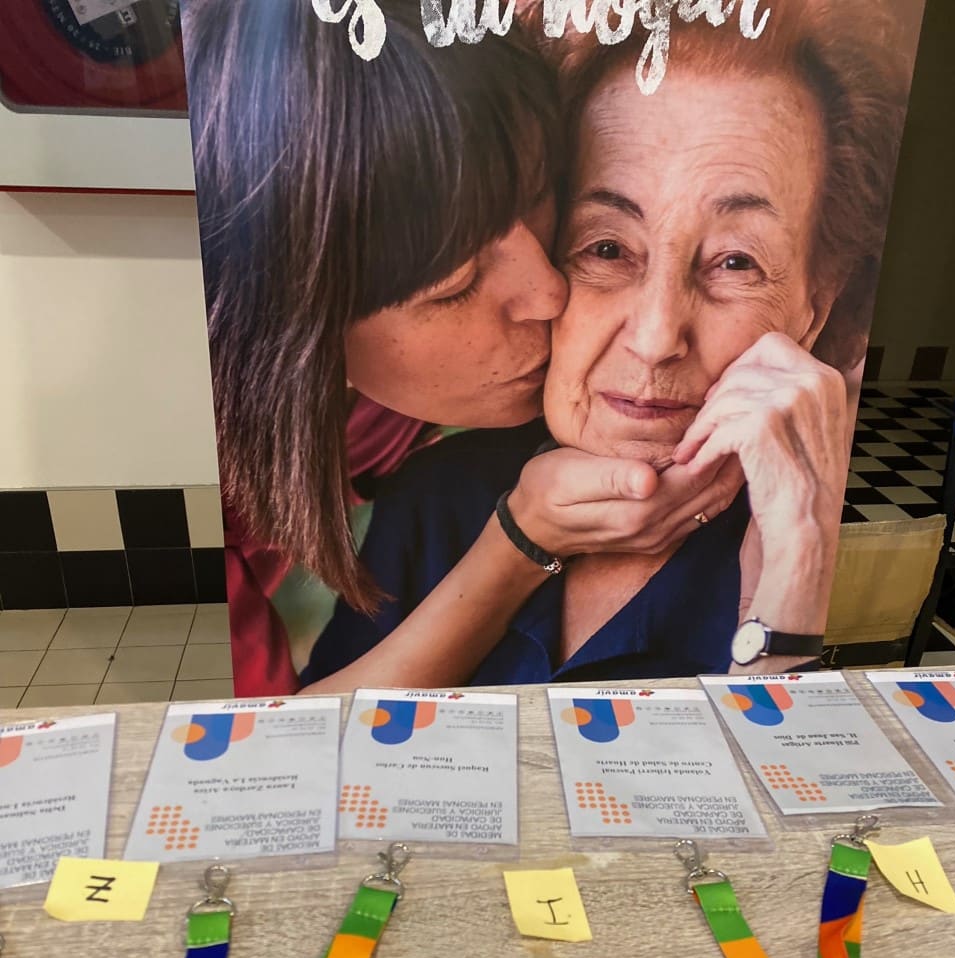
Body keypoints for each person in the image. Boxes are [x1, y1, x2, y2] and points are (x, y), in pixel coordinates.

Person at [302, 0, 911, 687]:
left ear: (816, 304)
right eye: (607, 248)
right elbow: (305, 742)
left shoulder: (856, 527)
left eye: (736, 262)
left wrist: (796, 576)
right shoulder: (436, 498)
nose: (654, 340)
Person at [182, 0, 740, 695]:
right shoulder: (174, 478)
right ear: (294, 327)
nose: (548, 293)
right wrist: (521, 543)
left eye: (537, 197)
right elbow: (262, 737)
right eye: (456, 286)